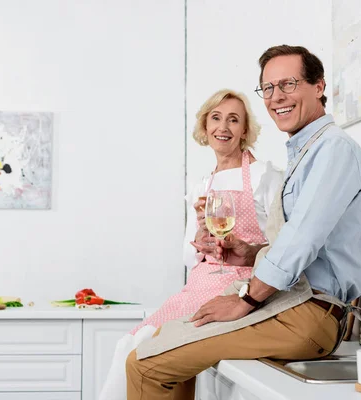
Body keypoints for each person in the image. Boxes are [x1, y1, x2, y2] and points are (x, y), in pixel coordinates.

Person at [125, 44, 361, 399]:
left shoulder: (333, 149)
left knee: (146, 363)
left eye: (288, 84)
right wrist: (249, 254)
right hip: (292, 303)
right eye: (268, 88)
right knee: (163, 340)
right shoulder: (306, 152)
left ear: (319, 86)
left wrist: (247, 299)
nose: (276, 97)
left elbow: (302, 239)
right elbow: (298, 239)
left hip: (307, 312)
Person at [98, 89, 284, 400]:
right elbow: (189, 256)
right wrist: (200, 243)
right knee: (129, 345)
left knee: (149, 348)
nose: (223, 127)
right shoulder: (202, 186)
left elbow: (283, 245)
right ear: (205, 127)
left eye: (233, 120)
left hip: (240, 288)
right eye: (216, 118)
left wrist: (246, 249)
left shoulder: (266, 175)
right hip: (200, 284)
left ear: (245, 131)